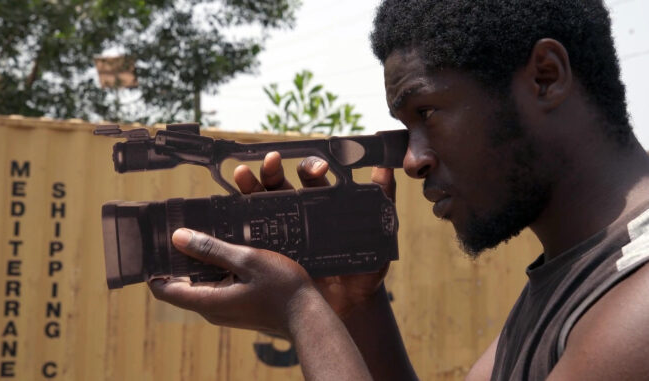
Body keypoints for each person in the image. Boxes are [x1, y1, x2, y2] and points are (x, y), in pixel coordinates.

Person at [149, 0, 649, 379]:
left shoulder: (639, 310)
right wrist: (350, 304)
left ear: (545, 77)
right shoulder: (575, 280)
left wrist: (301, 311)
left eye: (427, 112)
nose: (413, 160)